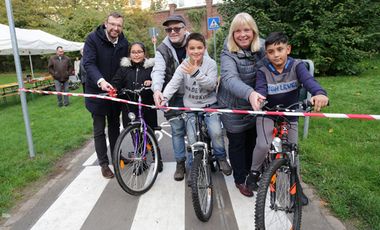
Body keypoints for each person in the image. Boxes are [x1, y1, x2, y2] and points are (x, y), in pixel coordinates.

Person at [246, 31, 329, 192]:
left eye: (280, 49)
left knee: (293, 150)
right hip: (268, 112)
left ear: (288, 49)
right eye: (270, 52)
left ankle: (296, 188)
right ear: (267, 54)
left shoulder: (297, 66)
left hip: (291, 112)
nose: (276, 55)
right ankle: (254, 173)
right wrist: (259, 99)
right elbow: (261, 89)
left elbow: (309, 81)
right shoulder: (263, 70)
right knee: (263, 144)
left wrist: (319, 93)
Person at [160, 32, 232, 176]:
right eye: (192, 48)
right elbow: (173, 84)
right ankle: (193, 166)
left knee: (216, 131)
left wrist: (196, 73)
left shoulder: (210, 64)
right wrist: (164, 97)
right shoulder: (183, 65)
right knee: (192, 138)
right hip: (191, 107)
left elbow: (211, 85)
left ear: (204, 49)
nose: (195, 51)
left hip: (209, 105)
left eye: (199, 48)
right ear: (187, 49)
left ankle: (221, 157)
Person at [216, 12, 265, 197]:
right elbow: (229, 78)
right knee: (237, 143)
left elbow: (280, 59)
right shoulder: (227, 52)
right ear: (232, 34)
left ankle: (252, 174)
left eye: (246, 30)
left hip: (254, 106)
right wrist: (250, 93)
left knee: (252, 141)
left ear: (253, 31)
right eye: (237, 31)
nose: (242, 34)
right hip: (233, 106)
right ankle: (240, 178)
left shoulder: (262, 47)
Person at [83, 12, 129, 179]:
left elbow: (124, 67)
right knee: (99, 128)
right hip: (96, 92)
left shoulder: (124, 43)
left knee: (115, 126)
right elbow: (88, 63)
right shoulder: (92, 39)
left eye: (119, 25)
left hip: (114, 92)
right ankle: (103, 163)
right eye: (112, 24)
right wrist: (101, 81)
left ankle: (117, 156)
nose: (115, 28)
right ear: (105, 24)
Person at [151, 15, 190, 181]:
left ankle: (196, 164)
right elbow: (158, 71)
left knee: (195, 130)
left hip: (193, 94)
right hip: (173, 96)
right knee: (177, 130)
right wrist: (157, 90)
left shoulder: (195, 41)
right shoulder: (162, 49)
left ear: (184, 28)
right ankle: (180, 163)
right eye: (169, 29)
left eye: (177, 28)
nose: (173, 32)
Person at [112, 42, 158, 130]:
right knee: (133, 131)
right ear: (129, 54)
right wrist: (114, 88)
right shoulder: (124, 69)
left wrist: (152, 82)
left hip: (147, 106)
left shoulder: (151, 68)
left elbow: (159, 81)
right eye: (133, 52)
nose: (136, 55)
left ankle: (150, 143)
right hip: (130, 107)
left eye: (139, 52)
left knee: (149, 133)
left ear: (144, 53)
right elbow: (116, 82)